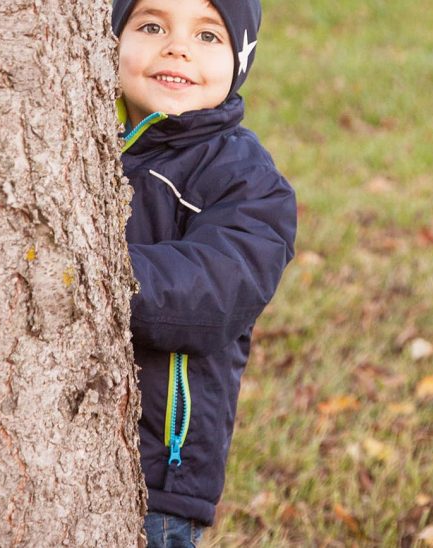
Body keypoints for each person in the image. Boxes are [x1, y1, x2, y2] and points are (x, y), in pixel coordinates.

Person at [111, 0, 297, 545]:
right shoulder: (81, 147)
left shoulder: (247, 179)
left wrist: (96, 271)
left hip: (158, 477)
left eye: (209, 36)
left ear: (241, 59)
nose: (178, 47)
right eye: (151, 26)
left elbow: (212, 295)